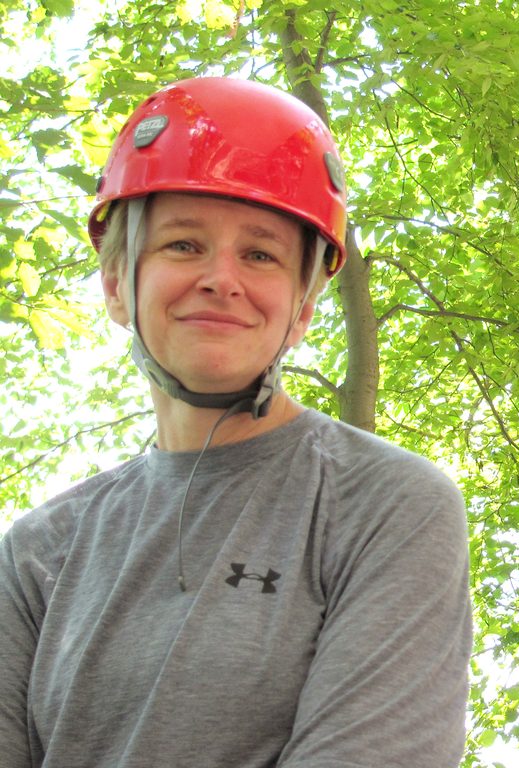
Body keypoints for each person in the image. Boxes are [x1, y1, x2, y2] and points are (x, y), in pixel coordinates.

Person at [0, 77, 472, 767]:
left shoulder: (384, 506)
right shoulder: (39, 553)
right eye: (183, 246)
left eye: (260, 255)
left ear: (304, 307)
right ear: (115, 283)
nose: (222, 278)